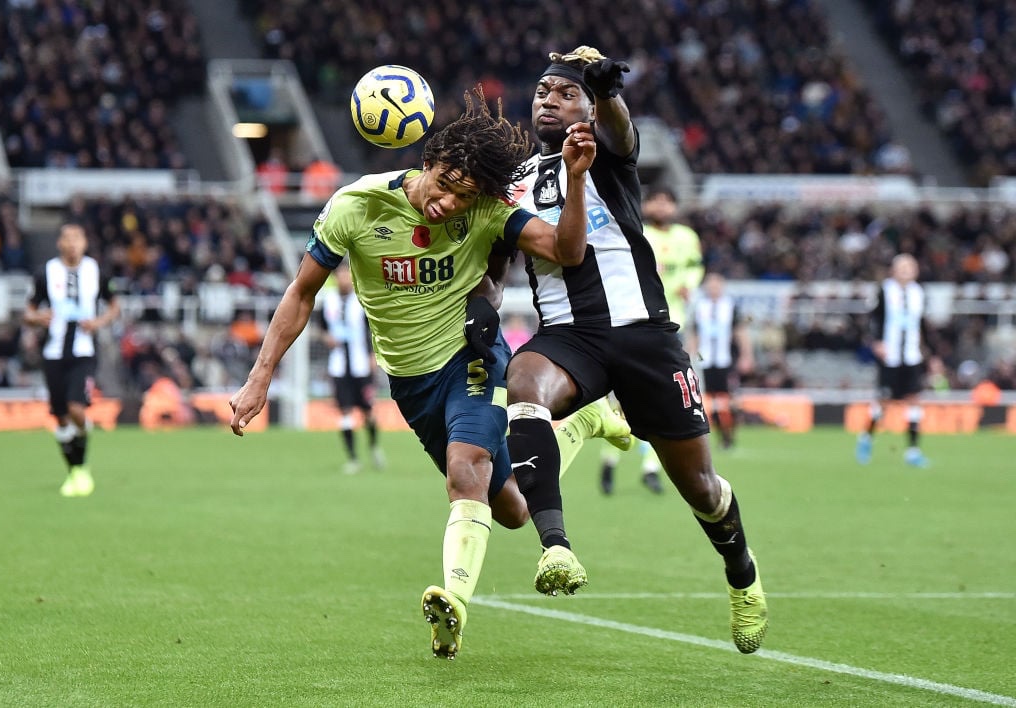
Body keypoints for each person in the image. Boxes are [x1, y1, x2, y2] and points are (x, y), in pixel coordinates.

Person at [228, 86, 600, 660]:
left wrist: (575, 180)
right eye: (447, 187)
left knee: (463, 472)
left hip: (471, 359)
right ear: (428, 162)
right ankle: (583, 425)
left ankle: (452, 605)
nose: (450, 204)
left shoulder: (486, 210)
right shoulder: (357, 206)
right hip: (409, 382)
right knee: (510, 507)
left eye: (465, 197)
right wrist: (261, 377)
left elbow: (567, 251)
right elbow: (301, 293)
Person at [504, 46, 768, 654]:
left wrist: (609, 94)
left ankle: (743, 575)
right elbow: (496, 261)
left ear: (588, 108)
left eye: (566, 92)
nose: (549, 98)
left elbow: (622, 130)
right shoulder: (511, 182)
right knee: (524, 380)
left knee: (700, 486)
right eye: (543, 89)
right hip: (570, 337)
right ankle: (557, 548)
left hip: (645, 334)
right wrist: (481, 308)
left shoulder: (607, 155)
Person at [600, 186, 705, 495]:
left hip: (675, 325)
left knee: (665, 399)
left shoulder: (687, 237)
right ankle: (609, 461)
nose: (662, 206)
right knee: (620, 399)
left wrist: (688, 284)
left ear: (674, 206)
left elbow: (695, 268)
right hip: (639, 322)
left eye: (667, 200)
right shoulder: (639, 232)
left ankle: (651, 468)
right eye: (657, 200)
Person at [23, 223, 120, 497]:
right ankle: (74, 471)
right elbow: (28, 312)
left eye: (78, 238)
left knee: (77, 409)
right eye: (68, 238)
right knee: (61, 418)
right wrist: (38, 317)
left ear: (85, 243)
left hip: (84, 351)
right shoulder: (46, 273)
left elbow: (114, 305)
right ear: (60, 244)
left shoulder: (96, 271)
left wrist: (99, 322)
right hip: (53, 352)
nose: (73, 243)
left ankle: (82, 466)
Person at [856, 253, 931, 467]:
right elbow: (873, 319)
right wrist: (877, 342)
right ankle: (866, 437)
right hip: (890, 356)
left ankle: (913, 451)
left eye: (911, 266)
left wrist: (929, 352)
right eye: (903, 267)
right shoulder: (884, 291)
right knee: (885, 401)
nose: (907, 270)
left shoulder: (919, 293)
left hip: (912, 355)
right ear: (894, 270)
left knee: (914, 399)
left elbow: (922, 324)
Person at [321, 262, 384, 474]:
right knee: (345, 412)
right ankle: (353, 458)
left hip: (360, 366)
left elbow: (373, 330)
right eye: (340, 275)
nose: (343, 279)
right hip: (339, 366)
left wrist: (372, 357)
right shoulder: (328, 300)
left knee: (368, 412)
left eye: (347, 275)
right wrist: (325, 337)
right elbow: (321, 327)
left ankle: (374, 447)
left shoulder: (362, 301)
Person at [689, 273, 754, 450]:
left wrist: (746, 356)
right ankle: (721, 436)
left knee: (730, 399)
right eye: (710, 285)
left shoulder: (730, 306)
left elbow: (740, 332)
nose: (713, 289)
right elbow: (694, 335)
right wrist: (694, 357)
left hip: (727, 360)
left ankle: (730, 434)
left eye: (716, 285)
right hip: (705, 360)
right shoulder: (700, 307)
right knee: (712, 400)